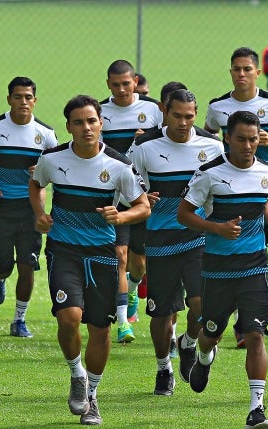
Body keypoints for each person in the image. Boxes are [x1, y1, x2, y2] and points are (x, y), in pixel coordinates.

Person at [29, 95, 150, 425]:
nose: (86, 128)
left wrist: (121, 217)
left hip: (102, 255)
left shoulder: (119, 166)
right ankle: (76, 373)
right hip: (63, 250)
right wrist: (40, 213)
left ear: (101, 124)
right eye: (79, 122)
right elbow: (36, 183)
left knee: (100, 329)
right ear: (68, 126)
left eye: (92, 121)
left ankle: (92, 396)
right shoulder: (53, 159)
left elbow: (143, 206)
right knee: (69, 318)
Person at [178, 110, 268, 429]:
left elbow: (264, 200)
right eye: (241, 139)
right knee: (211, 333)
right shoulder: (209, 174)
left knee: (254, 334)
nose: (248, 145)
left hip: (254, 268)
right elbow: (183, 214)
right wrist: (216, 228)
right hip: (217, 270)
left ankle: (256, 409)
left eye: (254, 139)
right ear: (227, 138)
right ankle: (204, 356)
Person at [127, 89, 224, 396]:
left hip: (199, 238)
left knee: (203, 307)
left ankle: (189, 343)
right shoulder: (144, 147)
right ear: (164, 112)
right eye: (177, 116)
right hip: (160, 241)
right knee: (159, 314)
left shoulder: (212, 145)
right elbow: (127, 185)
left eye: (189, 116)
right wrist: (142, 198)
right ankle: (162, 369)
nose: (183, 122)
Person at [205, 46, 268, 348]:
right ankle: (237, 321)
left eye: (247, 69)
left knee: (256, 247)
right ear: (231, 72)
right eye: (236, 69)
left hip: (263, 188)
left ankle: (246, 320)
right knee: (231, 246)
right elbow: (208, 139)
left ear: (258, 72)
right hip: (226, 188)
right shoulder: (217, 107)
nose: (242, 74)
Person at [0, 76, 57, 337]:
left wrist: (43, 171)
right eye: (18, 97)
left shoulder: (45, 134)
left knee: (28, 263)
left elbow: (59, 166)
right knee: (4, 265)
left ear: (35, 101)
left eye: (28, 97)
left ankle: (19, 319)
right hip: (1, 207)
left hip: (31, 208)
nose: (23, 102)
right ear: (9, 99)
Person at [100, 60, 162, 343]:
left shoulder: (152, 110)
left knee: (139, 262)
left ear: (135, 82)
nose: (122, 89)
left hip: (142, 198)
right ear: (108, 85)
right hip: (115, 197)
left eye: (127, 84)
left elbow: (165, 144)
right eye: (116, 85)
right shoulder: (100, 112)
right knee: (120, 257)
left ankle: (135, 288)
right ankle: (124, 323)